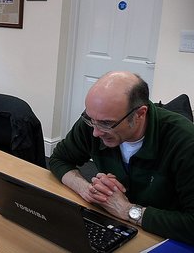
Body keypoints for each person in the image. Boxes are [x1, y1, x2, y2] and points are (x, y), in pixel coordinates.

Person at [49, 71, 194, 245]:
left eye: (106, 124)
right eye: (90, 119)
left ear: (140, 114)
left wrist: (128, 211)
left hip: (163, 238)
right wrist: (88, 190)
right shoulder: (95, 120)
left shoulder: (185, 141)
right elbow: (58, 159)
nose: (95, 132)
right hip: (116, 227)